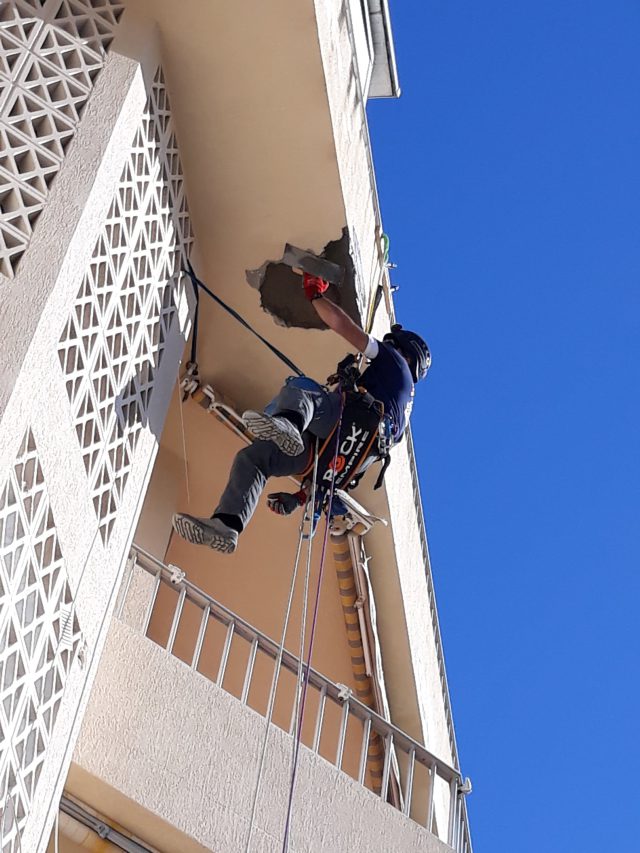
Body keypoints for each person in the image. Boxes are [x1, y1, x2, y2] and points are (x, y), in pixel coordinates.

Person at [172, 274, 431, 554]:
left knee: (301, 390)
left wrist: (315, 296)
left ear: (403, 352)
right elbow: (338, 468)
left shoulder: (396, 364)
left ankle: (288, 425)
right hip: (330, 456)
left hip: (342, 424)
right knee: (254, 459)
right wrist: (299, 497)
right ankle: (227, 524)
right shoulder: (399, 422)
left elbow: (344, 326)